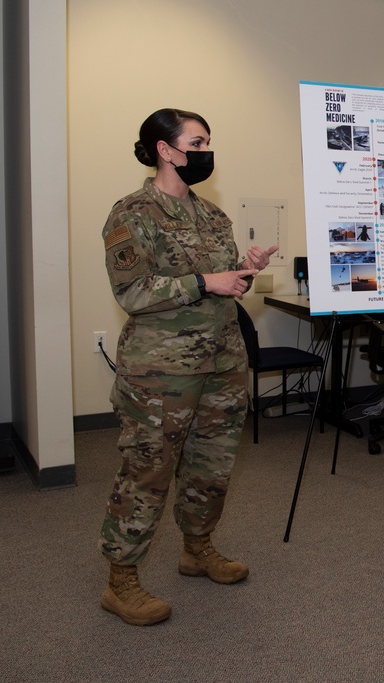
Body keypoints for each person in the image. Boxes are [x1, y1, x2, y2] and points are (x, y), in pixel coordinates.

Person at [99, 108, 278, 626]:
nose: (205, 151)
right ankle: (121, 581)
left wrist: (245, 270)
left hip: (221, 361)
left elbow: (225, 281)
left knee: (212, 465)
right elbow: (131, 292)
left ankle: (197, 549)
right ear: (165, 149)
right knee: (148, 470)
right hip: (160, 372)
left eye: (207, 142)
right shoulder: (132, 213)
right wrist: (206, 282)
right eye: (196, 142)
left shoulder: (212, 215)